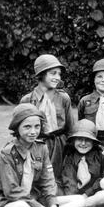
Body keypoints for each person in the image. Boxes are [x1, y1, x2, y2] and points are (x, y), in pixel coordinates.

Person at [0, 103, 86, 207]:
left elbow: (48, 181)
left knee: (80, 200)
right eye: (27, 127)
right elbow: (11, 191)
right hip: (10, 202)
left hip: (35, 197)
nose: (33, 132)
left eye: (37, 126)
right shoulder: (6, 154)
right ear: (17, 127)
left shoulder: (41, 148)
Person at [20, 54, 74, 182]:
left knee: (57, 179)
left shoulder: (63, 98)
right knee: (36, 179)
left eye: (59, 74)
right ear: (41, 74)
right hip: (36, 144)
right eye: (53, 73)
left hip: (59, 145)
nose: (57, 77)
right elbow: (21, 130)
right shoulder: (28, 100)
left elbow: (70, 128)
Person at [58, 119, 104, 207]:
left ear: (94, 141)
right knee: (56, 192)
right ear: (73, 140)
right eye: (79, 139)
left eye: (87, 140)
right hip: (74, 194)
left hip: (92, 193)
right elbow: (69, 179)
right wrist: (75, 197)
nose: (83, 143)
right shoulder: (70, 154)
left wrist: (87, 194)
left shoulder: (101, 153)